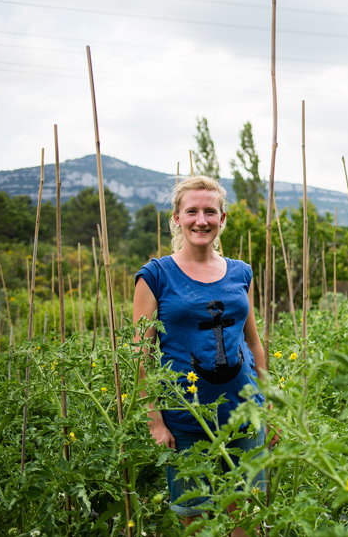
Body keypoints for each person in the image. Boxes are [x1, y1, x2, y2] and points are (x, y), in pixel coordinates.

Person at [134, 175, 267, 536]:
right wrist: (155, 422)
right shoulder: (155, 276)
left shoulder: (241, 272)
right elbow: (141, 356)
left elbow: (254, 344)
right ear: (176, 218)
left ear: (222, 218)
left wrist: (269, 402)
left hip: (244, 417)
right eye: (192, 211)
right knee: (196, 523)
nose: (201, 220)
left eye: (210, 211)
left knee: (245, 521)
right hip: (186, 421)